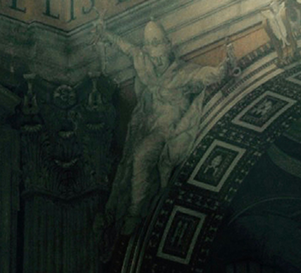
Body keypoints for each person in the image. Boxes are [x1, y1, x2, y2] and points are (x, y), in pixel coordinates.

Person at [96, 18, 235, 233]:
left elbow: (205, 74)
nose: (155, 54)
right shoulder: (146, 65)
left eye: (158, 45)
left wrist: (221, 69)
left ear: (169, 46)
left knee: (142, 156)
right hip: (146, 125)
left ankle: (135, 213)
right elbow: (129, 48)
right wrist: (106, 35)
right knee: (129, 164)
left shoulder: (183, 73)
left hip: (168, 130)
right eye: (150, 46)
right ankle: (126, 212)